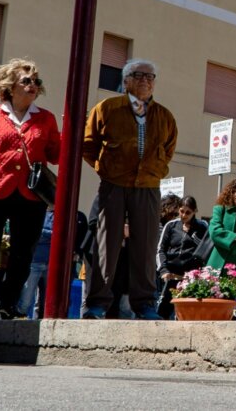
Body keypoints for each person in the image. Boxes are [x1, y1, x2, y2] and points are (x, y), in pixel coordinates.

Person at [81, 59, 177, 320]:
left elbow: (167, 150)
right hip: (113, 184)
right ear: (126, 81)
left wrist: (153, 171)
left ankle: (144, 304)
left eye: (150, 75)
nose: (145, 79)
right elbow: (88, 145)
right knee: (106, 244)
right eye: (138, 75)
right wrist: (106, 168)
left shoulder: (164, 116)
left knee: (145, 246)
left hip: (147, 186)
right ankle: (97, 304)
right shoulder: (107, 109)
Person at [0, 59, 61, 319]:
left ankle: (8, 303)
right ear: (9, 86)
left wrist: (70, 133)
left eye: (36, 82)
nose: (33, 85)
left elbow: (55, 155)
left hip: (31, 194)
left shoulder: (45, 118)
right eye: (26, 81)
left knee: (23, 253)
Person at [156, 196, 210, 319]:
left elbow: (205, 249)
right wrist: (163, 270)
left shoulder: (202, 226)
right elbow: (160, 249)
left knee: (187, 315)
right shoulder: (171, 225)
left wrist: (191, 234)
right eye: (181, 211)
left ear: (195, 211)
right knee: (163, 312)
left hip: (190, 278)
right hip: (170, 277)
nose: (184, 215)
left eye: (188, 212)